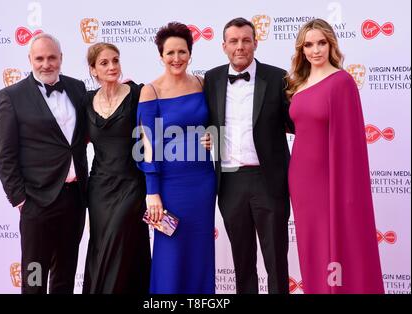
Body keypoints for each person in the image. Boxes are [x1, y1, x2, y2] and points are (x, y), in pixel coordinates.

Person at [286, 18, 384, 294]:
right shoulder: (299, 84)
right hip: (301, 182)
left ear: (331, 45)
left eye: (321, 43)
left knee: (336, 246)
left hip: (329, 180)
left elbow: (351, 143)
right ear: (301, 49)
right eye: (309, 44)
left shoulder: (341, 82)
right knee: (312, 246)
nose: (315, 50)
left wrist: (347, 191)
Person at [203, 17, 294, 294]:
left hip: (269, 180)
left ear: (255, 43)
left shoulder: (278, 77)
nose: (240, 47)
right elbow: (199, 116)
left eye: (245, 40)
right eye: (234, 41)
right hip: (229, 182)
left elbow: (297, 121)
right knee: (242, 261)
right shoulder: (212, 78)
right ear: (223, 46)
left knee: (276, 260)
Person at [0, 33, 87, 294]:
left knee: (65, 274)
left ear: (61, 58)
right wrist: (20, 199)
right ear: (30, 60)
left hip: (74, 199)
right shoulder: (11, 96)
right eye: (40, 58)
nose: (46, 64)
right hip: (36, 202)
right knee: (34, 275)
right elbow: (5, 154)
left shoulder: (77, 88)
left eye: (52, 58)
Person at [137, 22, 216, 294]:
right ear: (160, 56)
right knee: (170, 254)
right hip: (170, 186)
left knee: (200, 252)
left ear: (190, 53)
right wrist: (152, 192)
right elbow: (147, 145)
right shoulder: (151, 91)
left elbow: (216, 124)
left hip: (203, 183)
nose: (176, 58)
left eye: (182, 52)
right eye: (170, 53)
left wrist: (213, 136)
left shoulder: (202, 84)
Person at [82, 43, 151, 293]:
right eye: (104, 63)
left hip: (132, 184)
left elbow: (157, 132)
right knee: (103, 247)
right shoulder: (86, 101)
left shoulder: (138, 93)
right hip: (99, 188)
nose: (112, 66)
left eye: (115, 60)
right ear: (93, 70)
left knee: (116, 244)